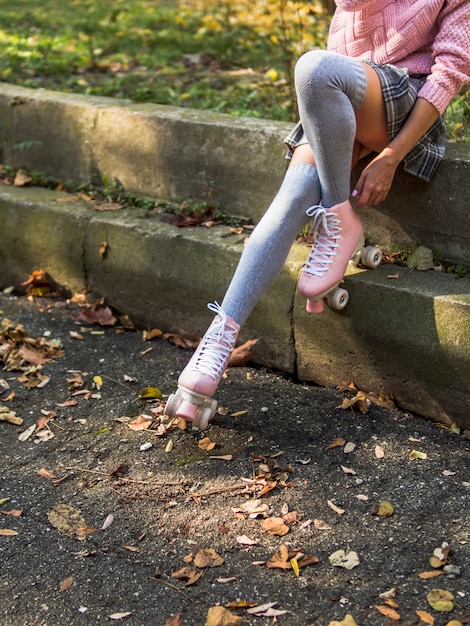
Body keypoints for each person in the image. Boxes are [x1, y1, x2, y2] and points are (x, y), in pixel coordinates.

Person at [165, 0, 470, 428]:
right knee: (290, 199)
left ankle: (336, 216)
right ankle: (217, 341)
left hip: (407, 102)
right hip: (345, 96)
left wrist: (390, 156)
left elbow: (450, 72)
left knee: (313, 68)